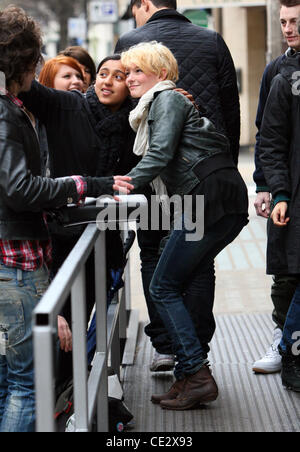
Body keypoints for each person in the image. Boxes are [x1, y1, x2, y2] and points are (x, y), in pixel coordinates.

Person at [0, 6, 132, 431]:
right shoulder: (9, 111)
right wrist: (81, 184)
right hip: (18, 259)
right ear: (27, 64)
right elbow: (19, 189)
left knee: (11, 378)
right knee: (26, 383)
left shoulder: (17, 108)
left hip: (23, 255)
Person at [116, 41, 248, 410]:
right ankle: (188, 377)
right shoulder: (156, 105)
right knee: (175, 279)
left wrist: (120, 185)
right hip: (205, 198)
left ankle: (197, 375)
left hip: (208, 197)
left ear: (161, 72)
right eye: (127, 72)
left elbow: (160, 154)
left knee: (162, 285)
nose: (130, 78)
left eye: (137, 70)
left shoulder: (168, 99)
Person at [252, 0, 300, 375]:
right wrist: (265, 186)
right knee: (286, 271)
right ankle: (283, 340)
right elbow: (267, 134)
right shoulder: (278, 71)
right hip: (289, 189)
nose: (287, 28)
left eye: (294, 21)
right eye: (283, 21)